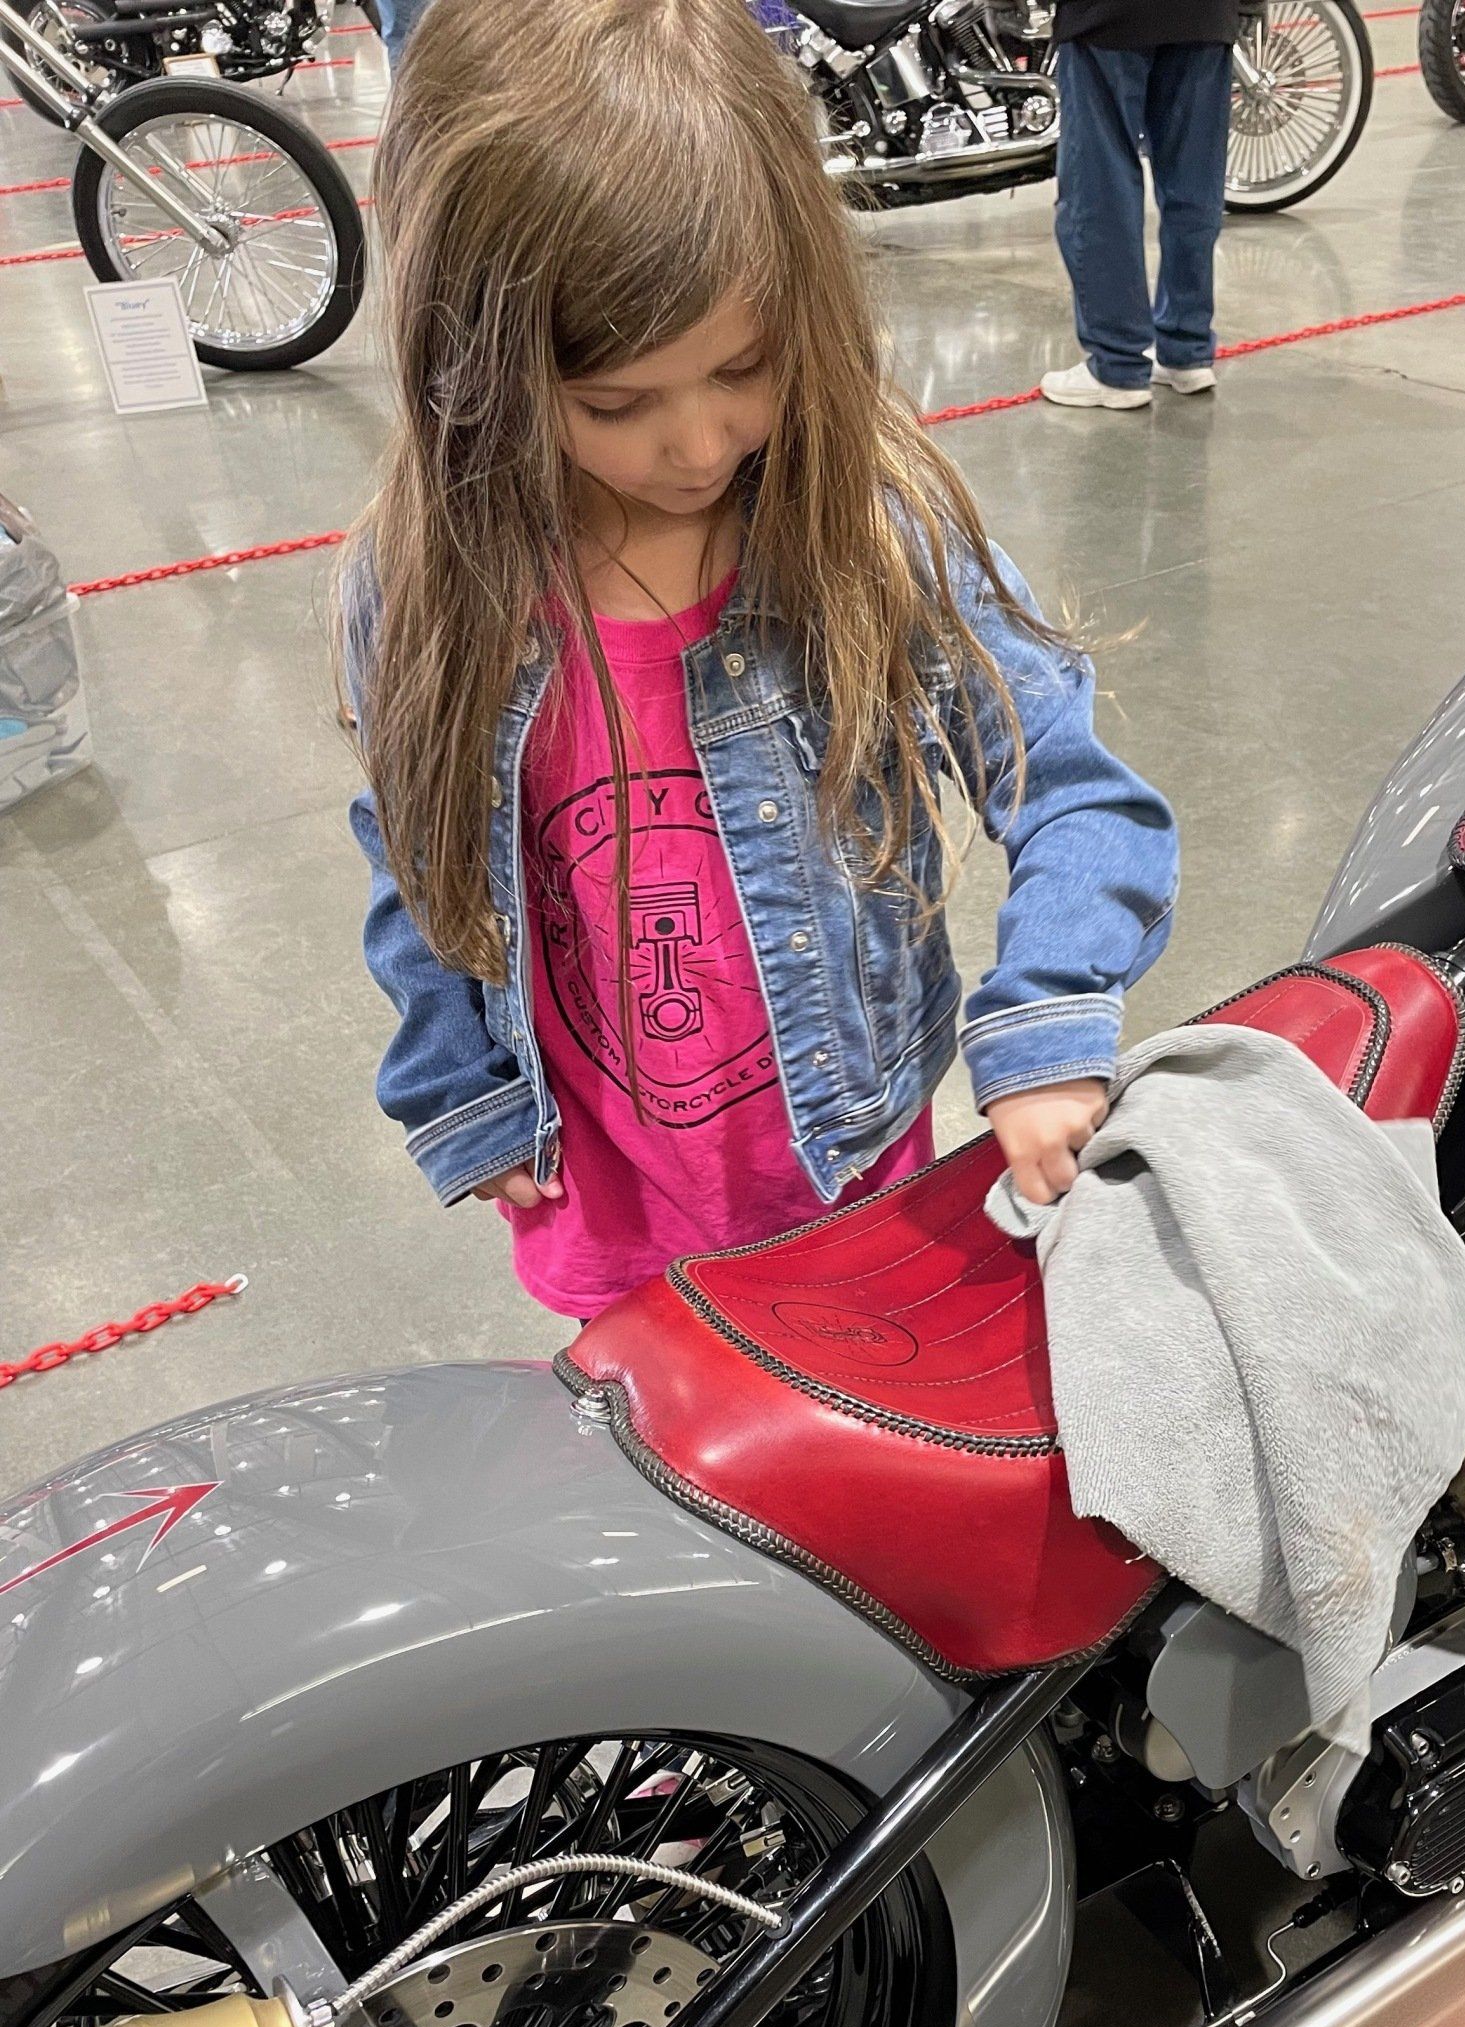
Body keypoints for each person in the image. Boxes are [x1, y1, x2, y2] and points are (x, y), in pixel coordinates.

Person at [341, 0, 1179, 1326]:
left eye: (744, 368)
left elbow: (1076, 787)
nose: (695, 446)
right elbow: (415, 841)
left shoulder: (868, 526)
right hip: (608, 1213)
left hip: (856, 1177)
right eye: (615, 405)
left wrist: (1046, 1028)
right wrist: (461, 1089)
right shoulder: (428, 583)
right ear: (478, 359)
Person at [1042, 0, 1238, 412]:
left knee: (1101, 185)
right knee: (1194, 181)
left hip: (1107, 17)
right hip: (1207, 16)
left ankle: (1116, 364)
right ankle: (1187, 349)